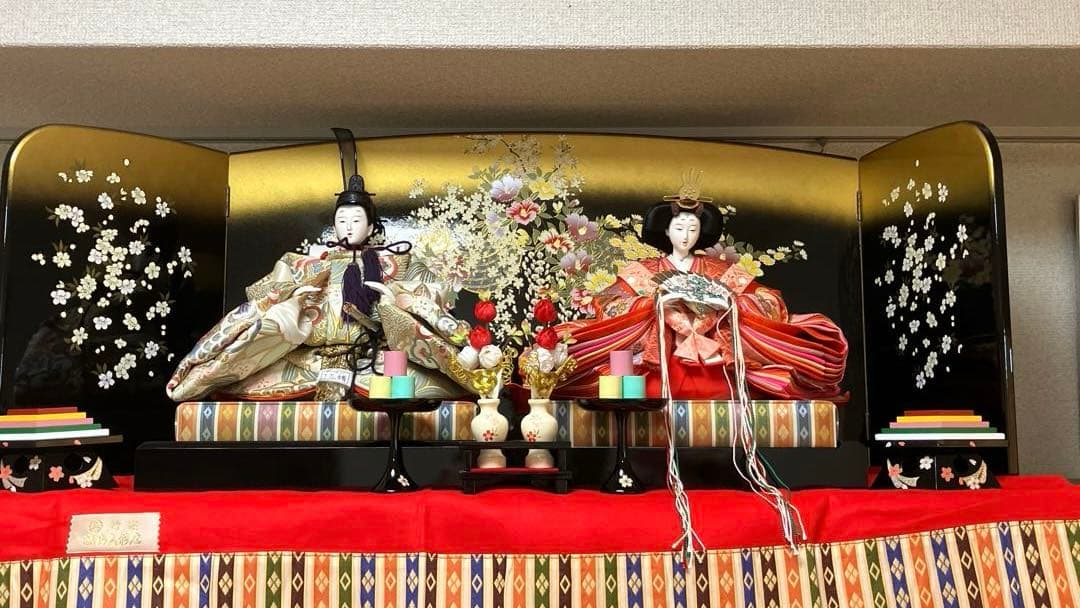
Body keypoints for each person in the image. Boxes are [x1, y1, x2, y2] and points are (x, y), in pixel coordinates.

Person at [166, 174, 469, 402]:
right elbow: (263, 295)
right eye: (342, 220)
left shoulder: (396, 263)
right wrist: (292, 301)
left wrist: (395, 302)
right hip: (310, 360)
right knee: (244, 370)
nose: (348, 226)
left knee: (420, 387)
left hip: (371, 360)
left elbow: (433, 297)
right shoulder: (309, 264)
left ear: (371, 227)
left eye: (356, 220)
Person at [555, 190, 848, 401]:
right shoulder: (642, 271)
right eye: (679, 228)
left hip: (715, 362)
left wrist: (730, 304)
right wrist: (653, 305)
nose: (686, 236)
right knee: (566, 347)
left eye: (693, 229)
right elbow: (608, 306)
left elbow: (769, 302)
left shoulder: (721, 270)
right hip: (658, 363)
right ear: (666, 231)